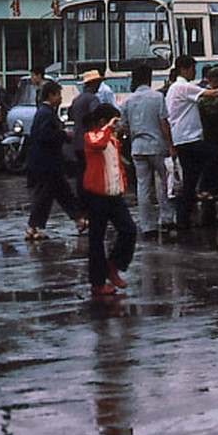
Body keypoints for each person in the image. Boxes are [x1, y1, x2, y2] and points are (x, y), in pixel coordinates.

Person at [81, 103, 136, 296]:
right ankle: (97, 282)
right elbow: (98, 143)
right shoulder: (92, 136)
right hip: (97, 196)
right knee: (96, 239)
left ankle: (113, 264)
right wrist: (107, 128)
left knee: (129, 230)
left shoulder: (112, 140)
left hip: (114, 195)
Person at [24, 80, 87, 240]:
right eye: (58, 95)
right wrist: (63, 135)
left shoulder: (43, 112)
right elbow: (45, 136)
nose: (60, 98)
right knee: (45, 196)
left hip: (47, 162)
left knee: (63, 193)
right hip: (47, 163)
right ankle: (32, 227)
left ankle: (79, 219)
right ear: (51, 95)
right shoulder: (47, 113)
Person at [120, 64, 177, 239]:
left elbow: (123, 127)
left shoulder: (127, 101)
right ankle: (166, 218)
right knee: (163, 182)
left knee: (142, 186)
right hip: (157, 145)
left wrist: (135, 135)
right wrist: (170, 145)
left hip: (138, 147)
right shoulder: (157, 97)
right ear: (149, 78)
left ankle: (147, 225)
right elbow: (163, 124)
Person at [166, 55, 218, 229]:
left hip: (180, 139)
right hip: (189, 138)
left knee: (189, 180)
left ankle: (183, 219)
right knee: (215, 155)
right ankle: (207, 189)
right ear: (184, 69)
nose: (194, 73)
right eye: (192, 69)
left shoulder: (174, 88)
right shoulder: (183, 86)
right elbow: (210, 94)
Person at [195, 65, 218, 226]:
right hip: (211, 139)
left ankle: (209, 216)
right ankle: (208, 217)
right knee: (211, 180)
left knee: (212, 179)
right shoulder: (207, 97)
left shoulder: (203, 94)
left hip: (210, 139)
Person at [69, 70, 105, 193]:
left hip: (77, 142)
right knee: (91, 172)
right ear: (94, 84)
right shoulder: (93, 99)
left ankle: (81, 198)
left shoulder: (77, 99)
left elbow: (71, 115)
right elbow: (97, 116)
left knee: (81, 173)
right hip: (89, 143)